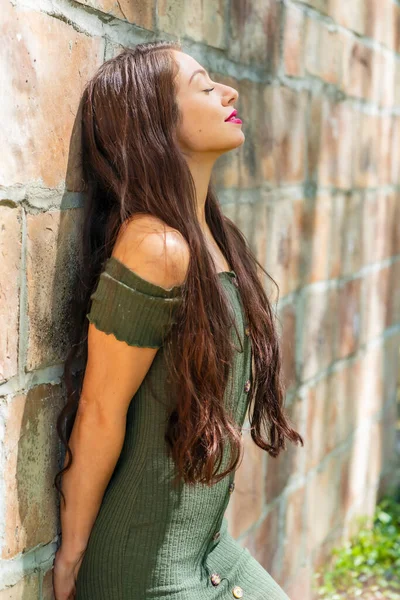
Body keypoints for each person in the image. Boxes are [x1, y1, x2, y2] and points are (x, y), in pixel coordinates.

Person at [52, 41, 304, 600]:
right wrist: (72, 556)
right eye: (204, 86)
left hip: (208, 550)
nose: (228, 92)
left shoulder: (208, 234)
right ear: (155, 124)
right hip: (146, 572)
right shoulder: (154, 246)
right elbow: (98, 408)